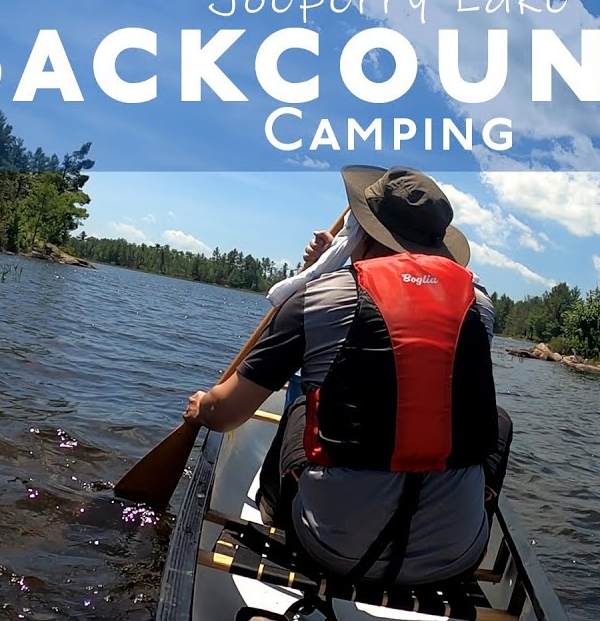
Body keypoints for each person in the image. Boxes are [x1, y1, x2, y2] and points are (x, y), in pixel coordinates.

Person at [182, 164, 512, 589]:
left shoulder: (319, 298)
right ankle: (474, 510)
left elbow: (226, 415)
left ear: (362, 234)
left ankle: (274, 510)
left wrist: (202, 408)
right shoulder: (481, 309)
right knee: (497, 422)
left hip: (330, 551)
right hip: (455, 556)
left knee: (303, 402)